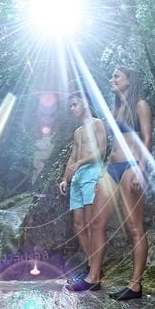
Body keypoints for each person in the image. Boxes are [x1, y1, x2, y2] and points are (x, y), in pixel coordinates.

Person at [66, 67, 152, 300]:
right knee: (96, 223)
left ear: (129, 80)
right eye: (112, 75)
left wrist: (141, 170)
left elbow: (147, 139)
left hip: (131, 166)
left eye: (117, 76)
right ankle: (93, 278)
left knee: (134, 227)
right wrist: (102, 172)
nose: (112, 79)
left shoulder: (140, 105)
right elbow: (113, 145)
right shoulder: (117, 108)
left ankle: (135, 285)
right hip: (110, 169)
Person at [58, 92, 106, 285]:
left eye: (75, 104)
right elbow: (73, 157)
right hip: (77, 178)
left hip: (92, 173)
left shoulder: (97, 124)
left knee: (91, 223)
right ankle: (94, 268)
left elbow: (102, 151)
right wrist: (65, 178)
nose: (72, 109)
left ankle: (92, 274)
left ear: (85, 103)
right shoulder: (77, 132)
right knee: (78, 225)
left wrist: (81, 162)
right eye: (70, 106)